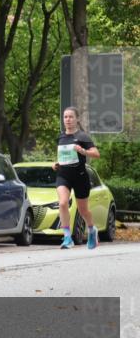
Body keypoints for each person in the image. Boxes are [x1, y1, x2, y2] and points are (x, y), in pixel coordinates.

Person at [52, 106, 101, 249]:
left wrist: (83, 151)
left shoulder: (82, 136)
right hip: (63, 175)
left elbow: (96, 154)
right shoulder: (61, 137)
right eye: (65, 117)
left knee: (83, 210)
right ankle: (67, 237)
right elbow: (62, 157)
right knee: (62, 203)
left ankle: (92, 229)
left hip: (80, 176)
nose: (68, 120)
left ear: (77, 119)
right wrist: (55, 164)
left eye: (71, 117)